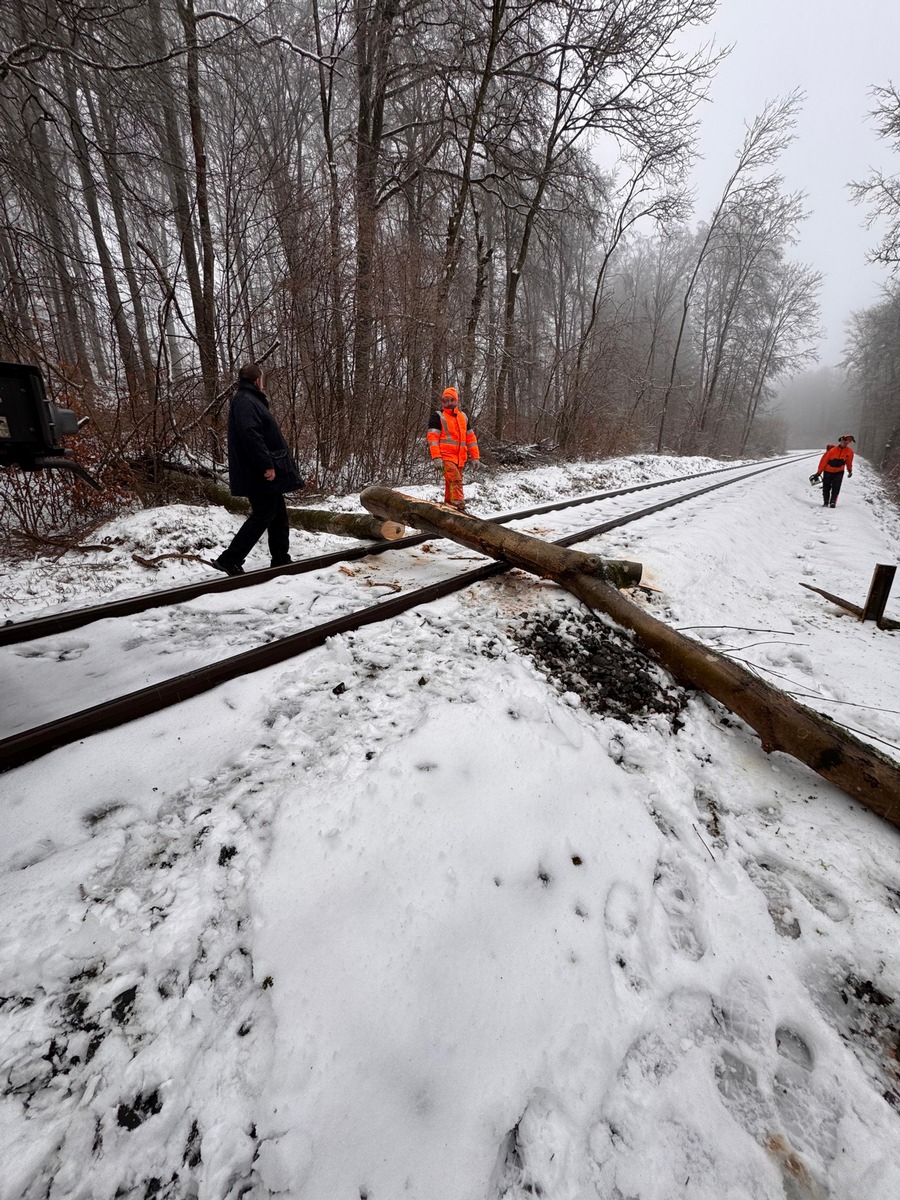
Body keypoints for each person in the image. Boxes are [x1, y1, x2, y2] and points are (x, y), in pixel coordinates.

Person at [212, 363, 305, 575]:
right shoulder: (246, 401)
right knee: (264, 514)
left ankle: (281, 559)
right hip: (257, 472)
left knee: (278, 515)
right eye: (262, 380)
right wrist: (267, 464)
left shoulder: (250, 400)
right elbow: (250, 434)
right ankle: (229, 559)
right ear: (257, 381)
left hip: (257, 471)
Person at [426, 386, 480, 511]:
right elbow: (432, 439)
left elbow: (471, 438)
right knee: (455, 480)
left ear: (456, 401)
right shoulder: (438, 416)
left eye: (451, 400)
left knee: (451, 483)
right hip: (445, 458)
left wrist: (475, 457)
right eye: (445, 400)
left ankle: (449, 508)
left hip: (459, 459)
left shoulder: (463, 417)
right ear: (442, 402)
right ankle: (459, 507)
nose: (448, 403)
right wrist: (437, 457)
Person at [810, 434, 855, 508]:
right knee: (826, 487)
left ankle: (833, 502)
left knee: (836, 487)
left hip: (839, 472)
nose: (845, 444)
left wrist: (849, 470)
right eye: (844, 442)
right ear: (841, 441)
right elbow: (823, 461)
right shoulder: (832, 451)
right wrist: (819, 472)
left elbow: (849, 462)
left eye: (847, 443)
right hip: (828, 471)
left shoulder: (849, 452)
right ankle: (826, 502)